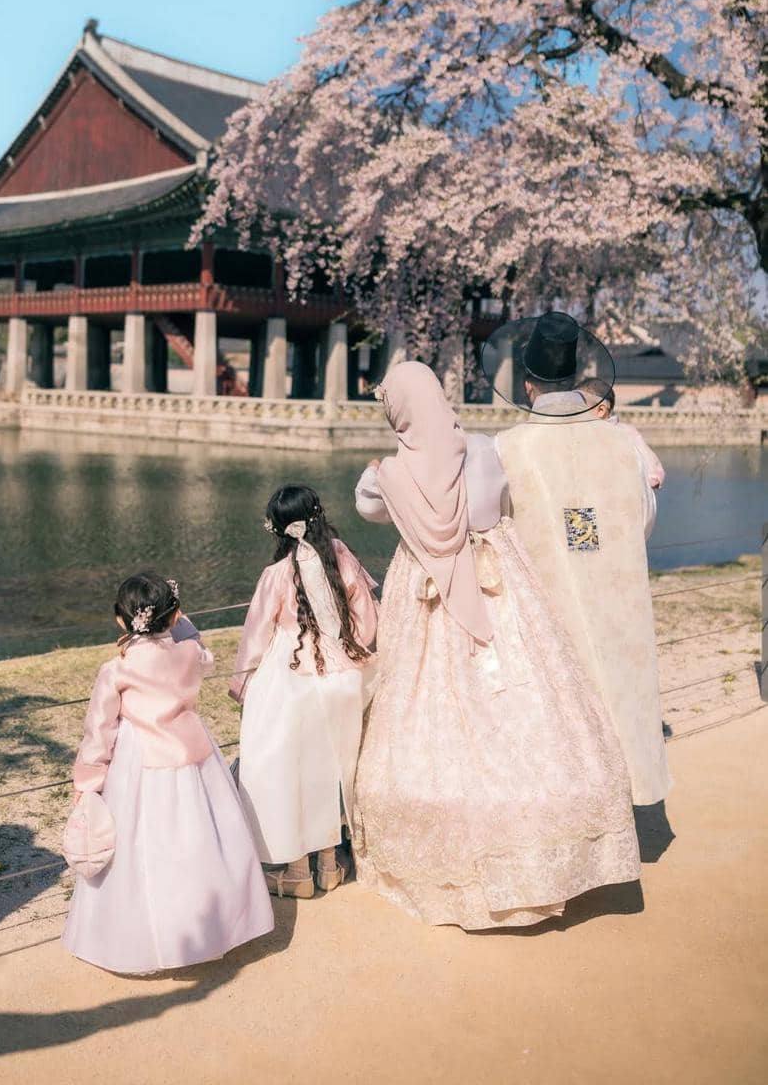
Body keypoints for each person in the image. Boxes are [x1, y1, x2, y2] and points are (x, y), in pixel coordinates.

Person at [352, 360, 640, 930]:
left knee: (426, 708)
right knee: (531, 690)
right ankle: (546, 846)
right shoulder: (485, 448)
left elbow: (366, 509)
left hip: (429, 585)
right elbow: (504, 500)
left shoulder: (385, 474)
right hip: (499, 577)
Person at [488, 312, 672, 806]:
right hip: (614, 591)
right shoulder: (621, 443)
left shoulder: (508, 448)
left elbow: (496, 524)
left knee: (555, 708)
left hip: (543, 598)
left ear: (528, 386)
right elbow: (643, 516)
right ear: (573, 375)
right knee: (615, 694)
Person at [62, 570, 274, 973]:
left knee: (144, 849)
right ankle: (216, 926)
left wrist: (87, 781)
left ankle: (140, 939)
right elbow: (200, 649)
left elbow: (99, 731)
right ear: (175, 616)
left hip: (139, 762)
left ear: (122, 620)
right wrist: (182, 623)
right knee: (201, 843)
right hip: (194, 754)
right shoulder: (191, 654)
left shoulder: (117, 667)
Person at [230, 485, 379, 899]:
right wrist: (358, 650)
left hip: (294, 675)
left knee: (291, 769)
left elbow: (256, 635)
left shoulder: (276, 574)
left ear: (277, 529)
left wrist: (242, 683)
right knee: (335, 767)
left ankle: (297, 872)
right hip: (343, 675)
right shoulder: (341, 555)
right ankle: (330, 865)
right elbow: (365, 616)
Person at [577, 376, 666, 490]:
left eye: (579, 409)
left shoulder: (625, 434)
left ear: (601, 411)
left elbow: (653, 474)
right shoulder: (582, 434)